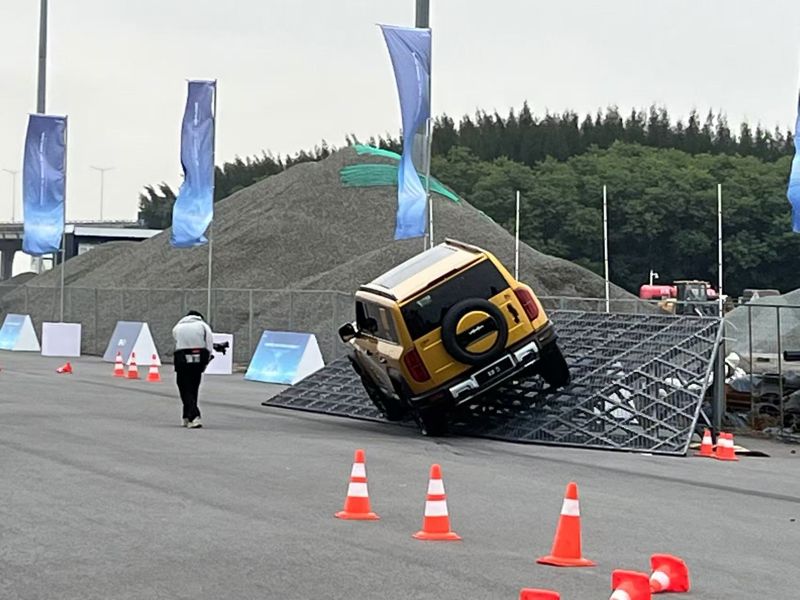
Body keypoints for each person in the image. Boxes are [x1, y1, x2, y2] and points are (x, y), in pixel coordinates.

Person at [172, 310, 214, 429]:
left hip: (182, 358)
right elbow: (209, 343)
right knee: (194, 386)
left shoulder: (178, 327)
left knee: (183, 387)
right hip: (199, 358)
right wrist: (208, 358)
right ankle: (189, 415)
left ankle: (191, 416)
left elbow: (176, 342)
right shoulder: (203, 326)